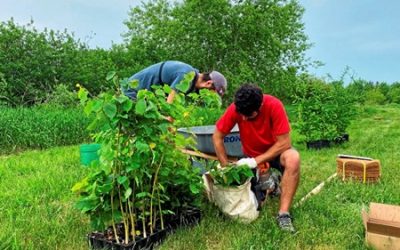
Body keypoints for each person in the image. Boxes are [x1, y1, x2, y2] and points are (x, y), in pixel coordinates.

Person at [212, 83, 300, 233]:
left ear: (260, 106)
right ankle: (271, 185)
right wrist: (225, 166)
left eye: (249, 115)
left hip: (277, 152)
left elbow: (285, 142)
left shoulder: (274, 105)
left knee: (293, 158)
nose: (244, 119)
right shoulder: (237, 108)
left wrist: (256, 161)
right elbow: (217, 136)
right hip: (250, 154)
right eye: (242, 115)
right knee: (258, 196)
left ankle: (283, 214)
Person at [122, 60, 227, 103]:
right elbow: (170, 103)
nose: (206, 96)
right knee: (137, 127)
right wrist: (169, 122)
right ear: (208, 83)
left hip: (146, 96)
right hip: (133, 90)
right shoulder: (186, 76)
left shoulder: (192, 81)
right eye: (210, 93)